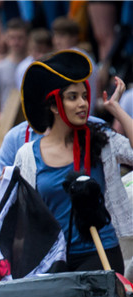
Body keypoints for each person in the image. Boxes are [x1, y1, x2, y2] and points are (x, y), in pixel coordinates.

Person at [11, 50, 133, 272]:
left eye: (85, 96)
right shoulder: (27, 155)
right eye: (72, 97)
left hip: (100, 254)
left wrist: (117, 109)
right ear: (54, 106)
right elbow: (22, 217)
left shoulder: (101, 141)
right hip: (52, 259)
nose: (83, 104)